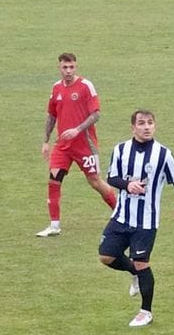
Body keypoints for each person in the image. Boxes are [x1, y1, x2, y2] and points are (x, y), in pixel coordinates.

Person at [98, 110, 174, 327]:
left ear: (155, 126)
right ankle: (134, 274)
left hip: (146, 222)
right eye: (141, 123)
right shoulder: (121, 150)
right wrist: (127, 185)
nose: (146, 127)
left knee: (142, 263)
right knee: (106, 256)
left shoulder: (163, 154)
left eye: (150, 123)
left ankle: (145, 312)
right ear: (133, 128)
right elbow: (112, 177)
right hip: (121, 217)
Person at [37, 53, 117, 237]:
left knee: (95, 181)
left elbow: (96, 114)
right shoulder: (56, 88)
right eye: (65, 67)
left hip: (84, 144)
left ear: (76, 67)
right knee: (53, 179)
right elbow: (51, 115)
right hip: (63, 145)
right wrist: (45, 141)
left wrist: (77, 129)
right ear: (59, 68)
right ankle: (54, 226)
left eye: (71, 67)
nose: (68, 71)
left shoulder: (85, 86)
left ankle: (121, 212)